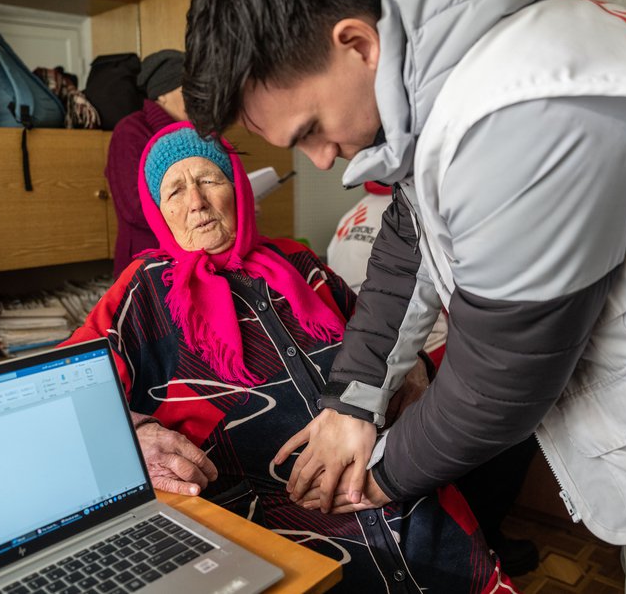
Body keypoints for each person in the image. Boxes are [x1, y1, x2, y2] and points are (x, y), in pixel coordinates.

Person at [181, 0, 626, 592]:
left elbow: (499, 380)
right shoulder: (445, 65)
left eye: (312, 131)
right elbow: (411, 240)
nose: (323, 159)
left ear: (356, 43)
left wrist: (377, 479)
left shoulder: (518, 115)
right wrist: (352, 398)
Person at [64, 123, 516, 593]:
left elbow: (385, 337)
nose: (195, 201)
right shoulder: (144, 291)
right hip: (285, 542)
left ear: (237, 188)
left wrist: (417, 370)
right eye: (175, 190)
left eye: (209, 180)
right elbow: (63, 385)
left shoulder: (300, 264)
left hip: (407, 504)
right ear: (159, 213)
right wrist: (136, 434)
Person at [328, 181, 540, 575]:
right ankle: (484, 537)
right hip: (423, 358)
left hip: (392, 359)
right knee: (508, 444)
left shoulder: (354, 215)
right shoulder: (417, 209)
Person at [105, 49, 189, 277]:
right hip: (145, 266)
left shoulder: (199, 134)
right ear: (161, 94)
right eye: (187, 89)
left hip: (191, 261)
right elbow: (135, 208)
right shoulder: (130, 131)